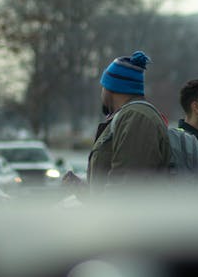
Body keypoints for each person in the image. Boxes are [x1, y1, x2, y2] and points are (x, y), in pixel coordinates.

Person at [63, 51, 169, 194]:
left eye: (103, 86)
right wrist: (83, 190)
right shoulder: (126, 117)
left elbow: (126, 190)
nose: (102, 93)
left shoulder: (137, 118)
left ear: (111, 88)